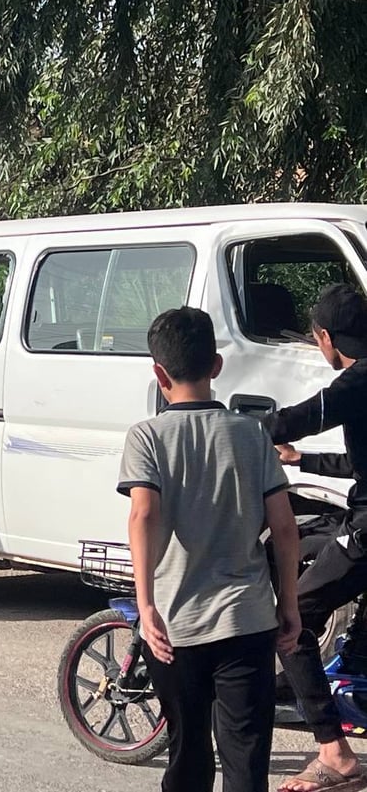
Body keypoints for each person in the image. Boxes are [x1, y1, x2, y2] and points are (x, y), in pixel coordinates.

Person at [119, 307, 300, 792]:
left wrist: (145, 605)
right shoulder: (251, 433)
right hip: (247, 620)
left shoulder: (147, 437)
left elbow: (143, 515)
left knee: (189, 754)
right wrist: (289, 604)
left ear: (159, 374)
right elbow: (284, 528)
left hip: (175, 624)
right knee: (246, 759)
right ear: (216, 366)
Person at [264, 284, 367, 792]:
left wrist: (234, 428)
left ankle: (334, 753)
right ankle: (312, 682)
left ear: (325, 337)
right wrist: (301, 460)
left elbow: (304, 415)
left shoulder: (358, 379)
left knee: (294, 619)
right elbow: (359, 462)